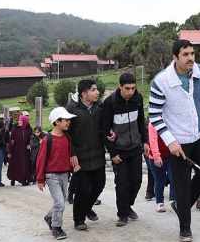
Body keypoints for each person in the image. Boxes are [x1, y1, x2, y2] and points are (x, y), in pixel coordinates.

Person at [149, 39, 200, 242]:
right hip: (178, 141)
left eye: (192, 53)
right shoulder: (161, 81)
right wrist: (170, 141)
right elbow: (154, 114)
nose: (191, 58)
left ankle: (180, 205)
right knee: (182, 185)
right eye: (186, 55)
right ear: (175, 58)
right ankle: (185, 228)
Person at [101, 72, 149, 227]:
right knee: (122, 183)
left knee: (137, 181)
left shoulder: (138, 99)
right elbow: (104, 129)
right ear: (119, 86)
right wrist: (112, 153)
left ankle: (128, 206)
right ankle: (122, 214)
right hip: (119, 150)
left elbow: (141, 121)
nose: (130, 92)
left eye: (133, 88)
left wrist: (145, 141)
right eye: (127, 88)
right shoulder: (110, 103)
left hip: (135, 147)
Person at [66, 79, 106, 231]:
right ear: (84, 94)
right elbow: (66, 134)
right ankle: (79, 220)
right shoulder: (71, 109)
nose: (97, 92)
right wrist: (72, 153)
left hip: (97, 154)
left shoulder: (99, 107)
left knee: (99, 184)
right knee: (83, 188)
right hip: (79, 157)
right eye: (94, 90)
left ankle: (88, 207)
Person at [36, 107, 77, 240]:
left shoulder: (67, 137)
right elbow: (41, 160)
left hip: (64, 174)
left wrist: (72, 167)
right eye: (66, 120)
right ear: (57, 121)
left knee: (62, 200)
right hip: (51, 176)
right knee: (59, 202)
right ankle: (56, 228)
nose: (68, 122)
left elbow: (67, 156)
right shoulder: (47, 139)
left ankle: (49, 216)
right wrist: (40, 179)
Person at [148, 121, 176, 213]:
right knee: (160, 180)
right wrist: (156, 157)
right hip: (156, 156)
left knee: (174, 177)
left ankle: (173, 199)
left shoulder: (172, 119)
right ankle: (159, 202)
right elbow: (153, 141)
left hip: (171, 155)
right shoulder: (153, 122)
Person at [7, 115, 34, 186]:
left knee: (25, 165)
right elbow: (11, 140)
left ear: (25, 121)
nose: (19, 121)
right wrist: (9, 151)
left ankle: (24, 179)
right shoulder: (15, 129)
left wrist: (30, 145)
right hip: (16, 151)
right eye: (18, 120)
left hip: (26, 151)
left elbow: (32, 139)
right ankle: (13, 179)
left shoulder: (29, 129)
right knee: (15, 165)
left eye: (21, 120)